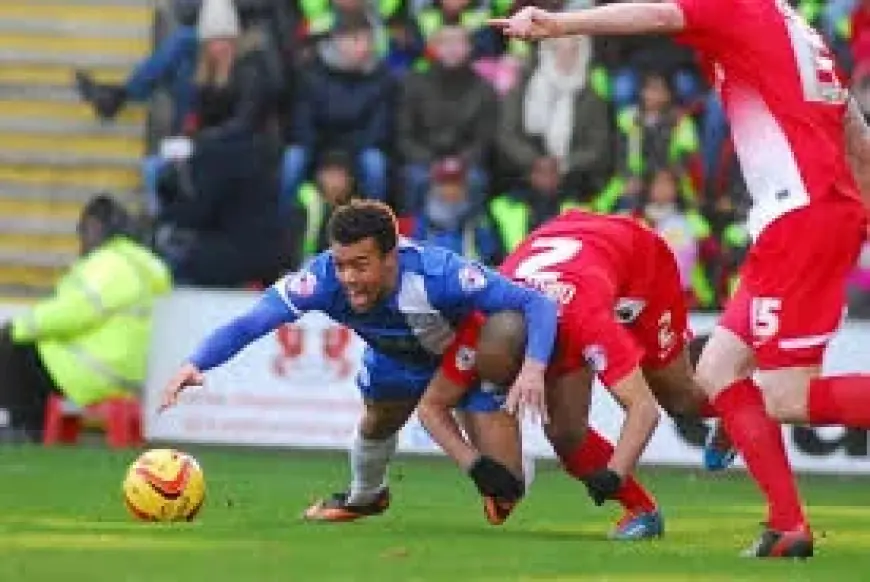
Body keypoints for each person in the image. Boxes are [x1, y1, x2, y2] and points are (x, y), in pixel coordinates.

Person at [490, 0, 870, 558]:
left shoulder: (740, 7)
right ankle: (788, 526)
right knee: (714, 374)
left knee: (788, 398)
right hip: (800, 220)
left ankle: (787, 521)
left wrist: (561, 25)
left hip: (802, 219)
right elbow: (857, 137)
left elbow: (662, 17)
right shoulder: (798, 30)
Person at [160, 200, 557, 524]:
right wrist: (197, 363)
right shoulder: (321, 280)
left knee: (509, 489)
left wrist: (534, 369)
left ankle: (505, 455)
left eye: (360, 265)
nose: (347, 277)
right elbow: (253, 321)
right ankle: (366, 496)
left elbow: (534, 303)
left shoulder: (440, 274)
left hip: (461, 360)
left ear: (392, 257)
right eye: (341, 264)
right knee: (378, 419)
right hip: (394, 358)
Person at [418, 210, 725, 540]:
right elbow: (432, 405)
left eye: (511, 379)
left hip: (639, 262)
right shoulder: (482, 317)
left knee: (679, 399)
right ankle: (642, 511)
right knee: (565, 432)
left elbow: (643, 409)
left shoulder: (585, 319)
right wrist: (475, 464)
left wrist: (614, 473)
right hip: (570, 248)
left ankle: (737, 410)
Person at [0, 195, 172, 442]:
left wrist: (18, 326)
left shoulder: (108, 264)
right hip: (135, 377)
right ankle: (33, 426)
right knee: (35, 348)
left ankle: (26, 427)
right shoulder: (149, 264)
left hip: (96, 373)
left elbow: (73, 312)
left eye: (83, 231)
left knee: (14, 344)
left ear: (95, 226)